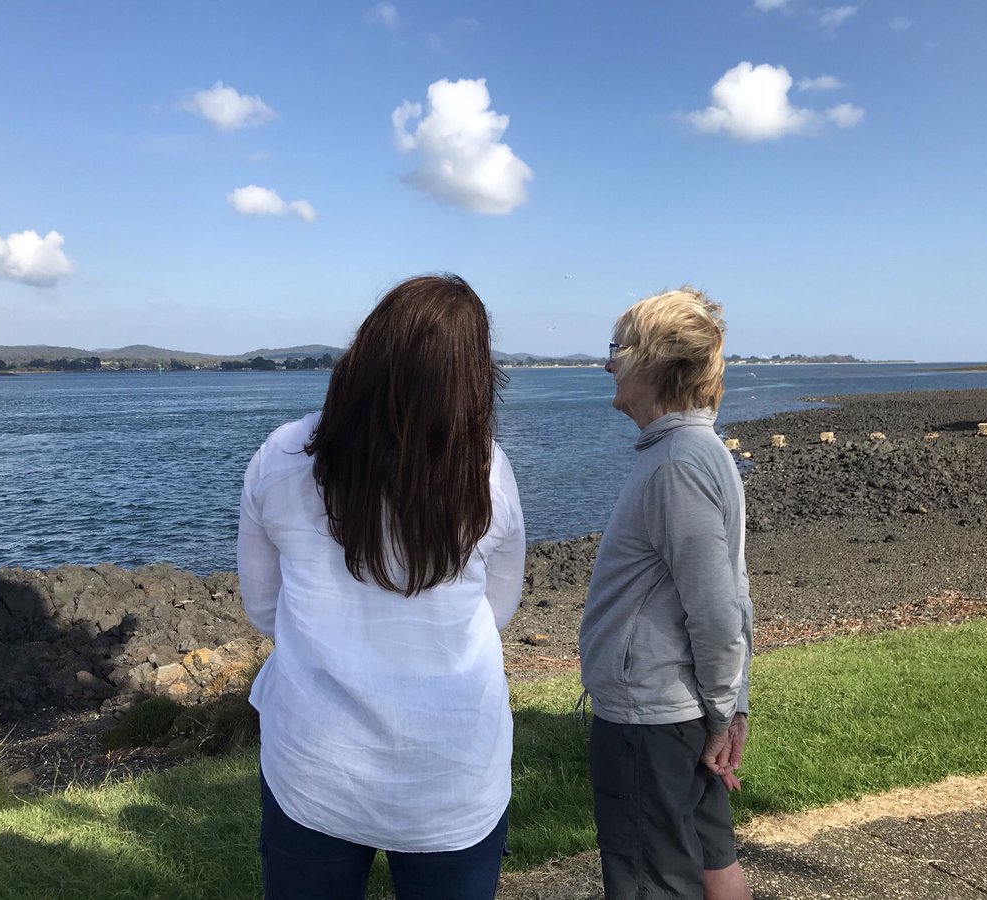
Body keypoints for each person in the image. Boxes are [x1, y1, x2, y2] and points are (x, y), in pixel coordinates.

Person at [237, 274, 526, 900]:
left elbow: (263, 606)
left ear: (364, 353)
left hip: (314, 768)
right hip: (452, 773)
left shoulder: (282, 456)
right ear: (472, 380)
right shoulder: (486, 471)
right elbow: (499, 605)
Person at [578, 287, 753, 900]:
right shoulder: (691, 451)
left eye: (616, 348)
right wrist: (731, 707)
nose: (606, 363)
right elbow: (734, 592)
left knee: (650, 880)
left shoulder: (678, 461)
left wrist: (726, 711)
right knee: (711, 860)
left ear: (654, 361)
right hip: (678, 708)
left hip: (652, 714)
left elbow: (715, 607)